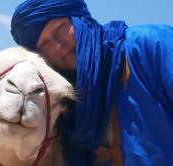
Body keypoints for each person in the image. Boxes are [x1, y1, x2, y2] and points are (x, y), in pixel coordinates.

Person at [11, 0, 173, 165]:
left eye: (61, 27)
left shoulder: (151, 44)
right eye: (44, 44)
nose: (59, 45)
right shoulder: (62, 107)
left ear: (81, 19)